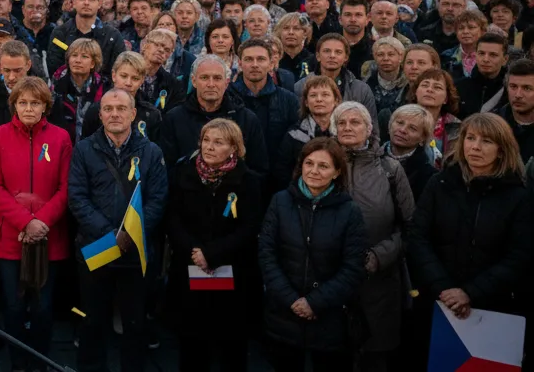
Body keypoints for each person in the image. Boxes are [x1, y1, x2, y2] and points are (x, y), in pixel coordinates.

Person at [409, 113, 533, 356]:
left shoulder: (519, 197)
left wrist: (471, 292)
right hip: (437, 303)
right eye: (470, 138)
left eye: (486, 141)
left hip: (492, 309)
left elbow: (520, 255)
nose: (475, 147)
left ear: (501, 149)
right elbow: (417, 237)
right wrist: (444, 288)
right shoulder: (439, 184)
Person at [68, 88, 167, 372]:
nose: (114, 113)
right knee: (91, 320)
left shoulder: (151, 151)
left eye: (121, 108)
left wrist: (130, 234)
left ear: (133, 114)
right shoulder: (84, 149)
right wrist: (110, 234)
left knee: (134, 323)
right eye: (108, 108)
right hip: (96, 246)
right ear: (99, 115)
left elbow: (157, 200)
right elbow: (77, 197)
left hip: (135, 251)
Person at [0, 76, 71, 369]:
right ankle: (17, 363)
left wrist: (41, 222)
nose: (29, 108)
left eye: (36, 103)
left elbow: (66, 187)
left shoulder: (61, 137)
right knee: (13, 305)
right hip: (9, 237)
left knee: (44, 307)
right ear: (14, 105)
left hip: (50, 237)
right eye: (23, 102)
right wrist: (25, 222)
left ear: (46, 106)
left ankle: (40, 361)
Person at [258, 137, 368, 372]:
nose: (314, 171)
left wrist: (314, 302)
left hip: (329, 319)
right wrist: (291, 300)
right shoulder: (280, 202)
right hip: (283, 315)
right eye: (309, 164)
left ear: (337, 172)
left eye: (323, 166)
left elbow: (353, 267)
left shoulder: (350, 212)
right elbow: (267, 254)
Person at [164, 118, 261, 372]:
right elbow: (172, 219)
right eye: (206, 140)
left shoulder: (249, 181)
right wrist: (195, 252)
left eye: (218, 142)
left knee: (231, 346)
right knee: (192, 345)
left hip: (232, 273)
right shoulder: (182, 174)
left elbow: (250, 227)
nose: (209, 147)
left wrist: (212, 253)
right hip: (189, 268)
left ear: (234, 148)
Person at [330, 101, 414, 372]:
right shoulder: (320, 163)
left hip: (379, 279)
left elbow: (411, 226)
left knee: (374, 359)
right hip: (331, 278)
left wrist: (379, 256)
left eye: (355, 122)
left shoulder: (390, 169)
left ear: (369, 129)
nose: (347, 127)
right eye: (341, 122)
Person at [157, 54, 268, 178]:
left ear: (226, 83)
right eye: (204, 78)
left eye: (217, 78)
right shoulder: (174, 118)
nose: (211, 84)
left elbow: (258, 170)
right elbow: (167, 169)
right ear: (194, 81)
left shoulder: (246, 119)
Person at [382, 104, 439, 202]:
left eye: (412, 128)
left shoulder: (429, 176)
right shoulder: (369, 158)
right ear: (390, 125)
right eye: (399, 123)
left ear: (423, 138)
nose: (403, 130)